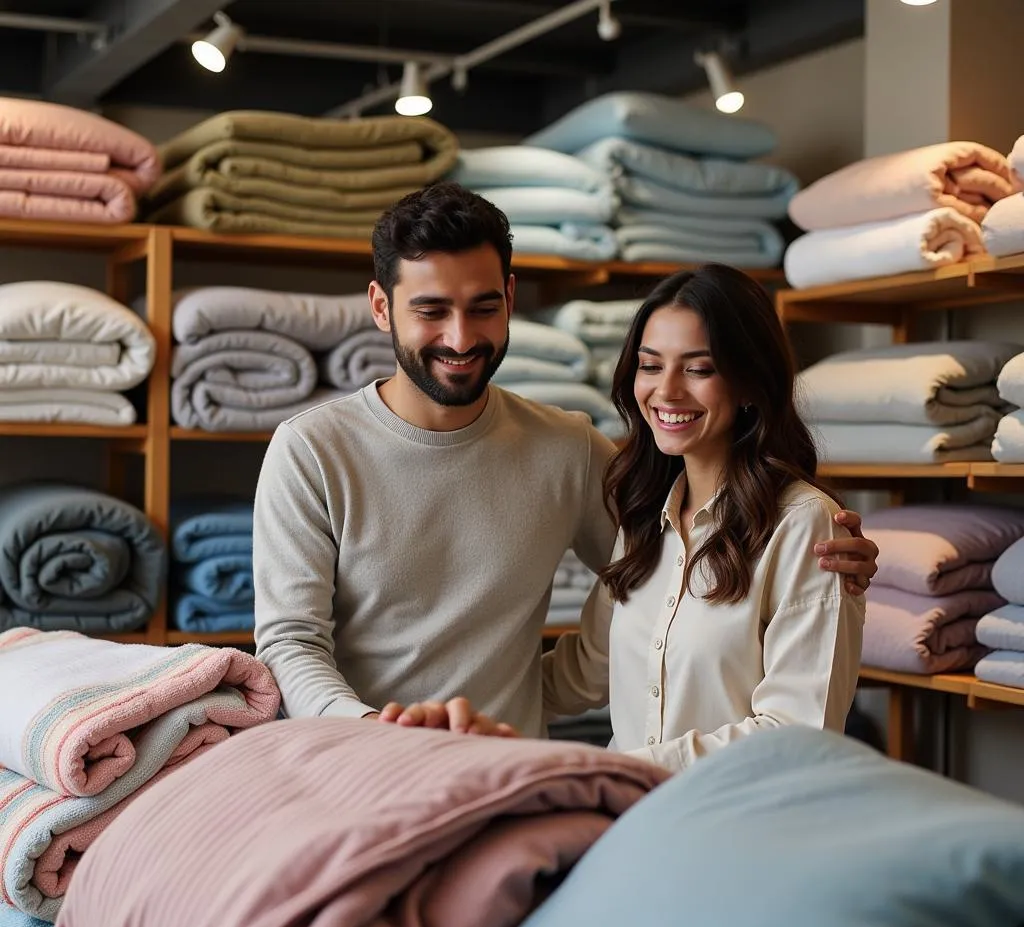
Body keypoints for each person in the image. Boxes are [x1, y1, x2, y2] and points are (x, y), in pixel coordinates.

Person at [253, 182, 876, 739]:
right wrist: (368, 731)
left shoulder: (569, 449)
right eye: (431, 310)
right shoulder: (311, 450)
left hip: (513, 786)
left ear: (511, 299)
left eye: (482, 307)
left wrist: (831, 552)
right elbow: (291, 641)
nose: (461, 337)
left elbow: (690, 551)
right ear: (382, 306)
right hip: (363, 768)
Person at [538, 264, 866, 771]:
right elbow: (585, 670)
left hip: (733, 833)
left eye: (698, 369)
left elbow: (796, 733)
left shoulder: (804, 526)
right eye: (650, 365)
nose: (667, 391)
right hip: (632, 827)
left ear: (751, 383)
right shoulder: (644, 516)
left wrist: (629, 771)